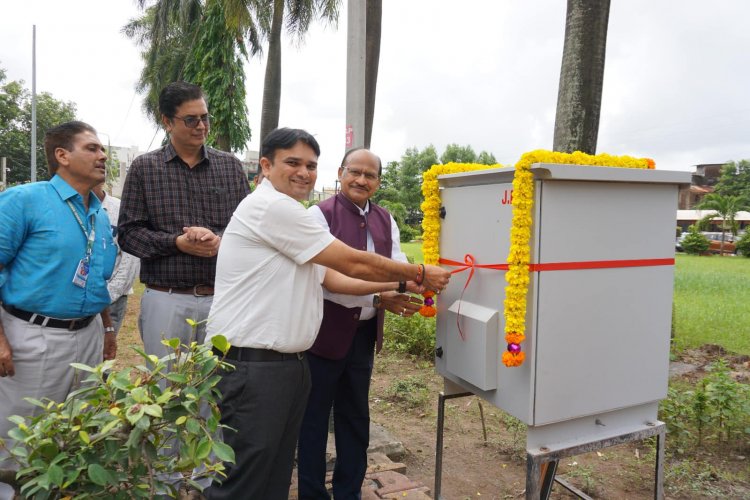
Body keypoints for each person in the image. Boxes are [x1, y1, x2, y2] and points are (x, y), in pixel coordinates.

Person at [203, 128, 450, 500]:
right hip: (257, 365)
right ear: (266, 166)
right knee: (245, 479)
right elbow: (350, 260)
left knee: (273, 472)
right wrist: (416, 274)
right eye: (293, 163)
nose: (304, 172)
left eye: (310, 165)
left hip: (286, 363)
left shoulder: (298, 214)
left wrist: (395, 289)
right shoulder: (274, 208)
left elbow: (334, 276)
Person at [0, 121, 117, 499]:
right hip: (31, 336)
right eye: (92, 148)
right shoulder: (25, 200)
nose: (102, 156)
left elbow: (95, 278)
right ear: (62, 156)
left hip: (88, 337)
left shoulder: (98, 212)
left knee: (74, 434)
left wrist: (108, 329)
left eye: (103, 149)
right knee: (20, 436)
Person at [297, 148, 423, 499]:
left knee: (355, 417)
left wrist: (402, 286)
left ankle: (348, 492)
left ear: (378, 182)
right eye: (355, 172)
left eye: (370, 175)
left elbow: (396, 264)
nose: (362, 180)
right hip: (323, 333)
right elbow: (328, 279)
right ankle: (311, 493)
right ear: (340, 173)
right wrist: (387, 291)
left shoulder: (386, 219)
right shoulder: (318, 216)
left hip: (363, 334)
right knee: (314, 419)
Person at [118, 81, 250, 357]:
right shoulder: (145, 168)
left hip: (221, 298)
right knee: (167, 387)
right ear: (167, 121)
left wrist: (220, 241)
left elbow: (248, 228)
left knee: (217, 388)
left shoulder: (230, 166)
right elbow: (129, 234)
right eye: (191, 120)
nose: (201, 126)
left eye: (205, 118)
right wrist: (177, 243)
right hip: (166, 299)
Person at [92, 183, 140, 335]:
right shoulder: (70, 208)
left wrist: (106, 296)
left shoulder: (121, 209)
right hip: (77, 298)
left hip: (112, 298)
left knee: (102, 353)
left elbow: (130, 260)